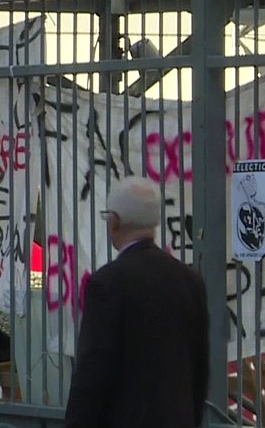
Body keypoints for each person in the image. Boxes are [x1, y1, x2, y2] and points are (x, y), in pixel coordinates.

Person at [64, 176, 209, 428]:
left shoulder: (107, 283)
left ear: (115, 221)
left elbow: (93, 375)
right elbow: (199, 369)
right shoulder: (190, 281)